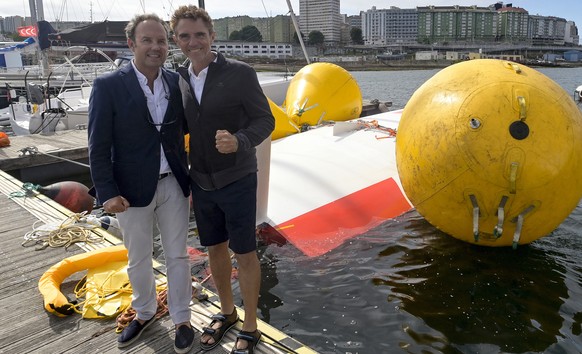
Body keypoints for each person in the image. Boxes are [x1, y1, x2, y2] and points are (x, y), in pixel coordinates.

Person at [87, 13, 195, 353]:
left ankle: (182, 317)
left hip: (175, 184)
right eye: (147, 40)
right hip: (129, 191)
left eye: (161, 41)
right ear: (131, 44)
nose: (155, 47)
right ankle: (145, 311)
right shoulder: (108, 86)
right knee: (138, 258)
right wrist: (107, 193)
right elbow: (98, 145)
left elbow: (186, 130)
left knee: (178, 256)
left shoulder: (176, 81)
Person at [170, 5, 275, 354]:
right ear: (177, 40)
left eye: (199, 34)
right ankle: (227, 312)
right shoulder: (180, 78)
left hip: (237, 178)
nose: (193, 41)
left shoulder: (240, 73)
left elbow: (265, 120)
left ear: (212, 35)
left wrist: (240, 141)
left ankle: (250, 324)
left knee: (244, 251)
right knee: (214, 248)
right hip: (201, 182)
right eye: (185, 36)